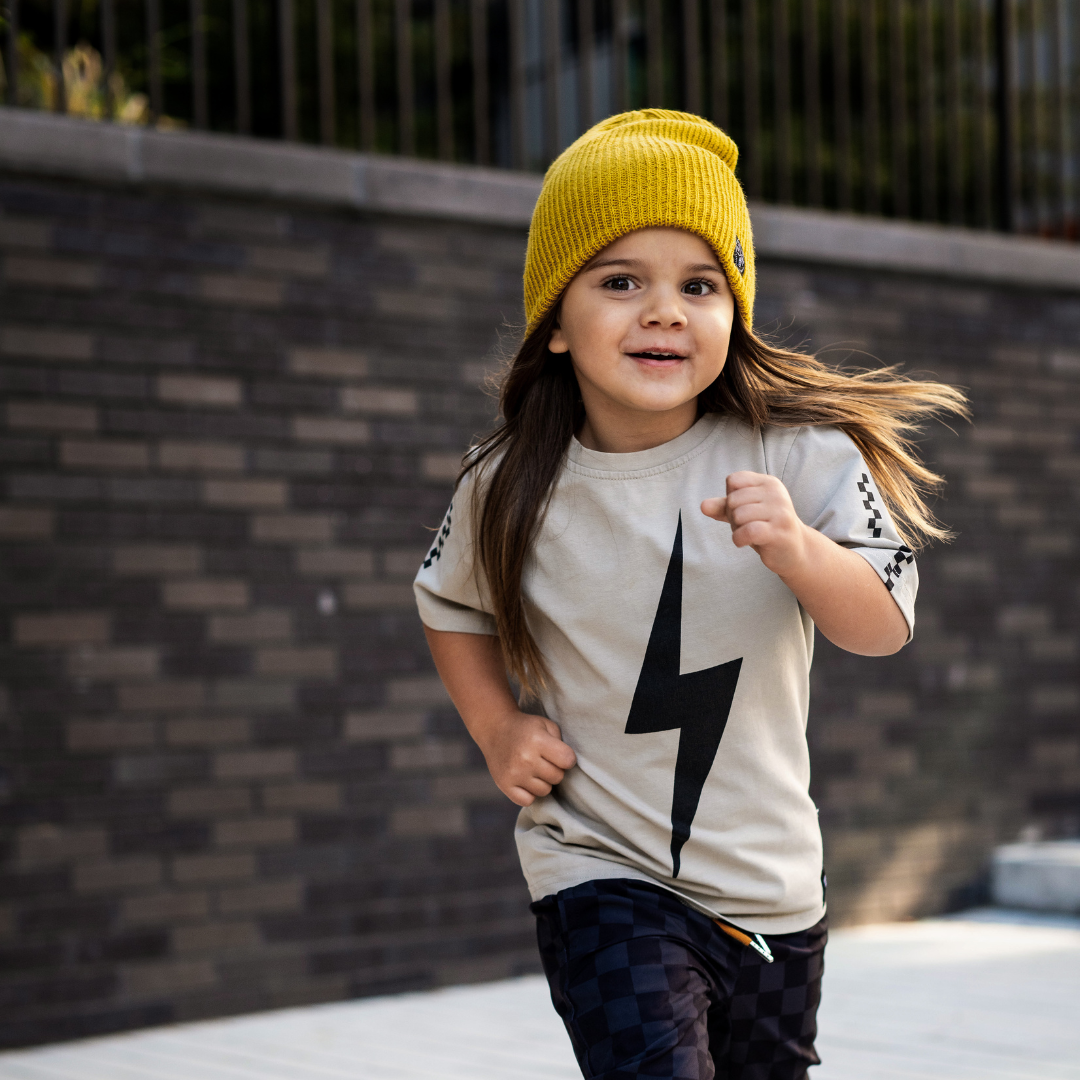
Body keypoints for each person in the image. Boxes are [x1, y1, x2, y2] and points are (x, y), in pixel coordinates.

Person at [413, 110, 967, 1080]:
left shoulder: (799, 455)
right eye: (620, 280)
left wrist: (799, 548)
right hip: (598, 868)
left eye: (699, 285)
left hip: (772, 897)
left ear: (733, 313)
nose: (664, 309)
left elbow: (884, 621)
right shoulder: (506, 481)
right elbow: (448, 603)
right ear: (553, 324)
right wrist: (497, 727)